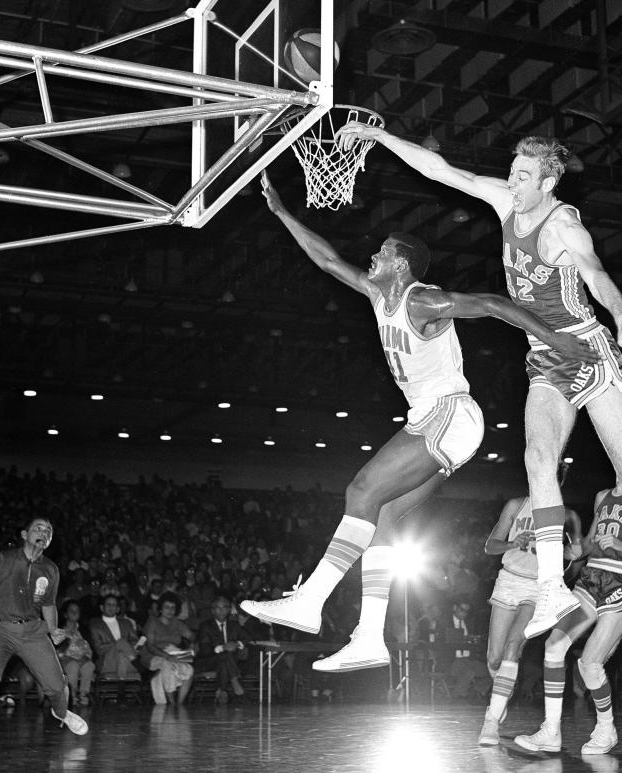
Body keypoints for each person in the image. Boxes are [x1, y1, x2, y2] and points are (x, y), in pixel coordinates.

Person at [241, 172, 595, 673]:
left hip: (450, 413)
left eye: (382, 253)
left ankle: (310, 601)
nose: (373, 259)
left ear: (402, 265)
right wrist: (281, 214)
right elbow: (326, 259)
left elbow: (494, 304)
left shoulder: (421, 300)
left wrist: (558, 343)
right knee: (382, 517)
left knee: (361, 490)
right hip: (437, 421)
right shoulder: (375, 293)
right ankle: (369, 637)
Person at [335, 124, 622, 638]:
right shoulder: (504, 199)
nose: (511, 181)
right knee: (537, 459)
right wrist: (380, 140)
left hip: (586, 348)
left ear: (548, 184)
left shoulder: (564, 227)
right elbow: (443, 170)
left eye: (523, 175)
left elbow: (595, 272)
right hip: (544, 356)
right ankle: (553, 588)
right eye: (512, 170)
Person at [512, 481, 622, 755]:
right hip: (591, 577)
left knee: (590, 663)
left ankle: (606, 730)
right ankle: (551, 731)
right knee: (554, 647)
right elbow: (592, 544)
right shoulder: (601, 496)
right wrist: (576, 551)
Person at [0, 518, 88, 755]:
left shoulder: (51, 569)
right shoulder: (2, 559)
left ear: (50, 540)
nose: (43, 532)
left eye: (48, 531)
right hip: (1, 629)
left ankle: (61, 713)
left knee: (56, 686)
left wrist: (53, 629)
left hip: (33, 631)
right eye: (38, 528)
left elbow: (48, 604)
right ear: (24, 534)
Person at [477, 469, 582, 746]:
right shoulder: (516, 505)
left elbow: (574, 562)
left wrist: (572, 555)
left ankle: (491, 721)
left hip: (538, 587)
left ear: (560, 481)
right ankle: (501, 698)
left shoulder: (567, 516)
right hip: (508, 581)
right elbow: (490, 546)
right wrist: (513, 543)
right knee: (495, 659)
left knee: (514, 647)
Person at [139, 591, 195, 705]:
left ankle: (180, 703)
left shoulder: (177, 623)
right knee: (167, 665)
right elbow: (149, 646)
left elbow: (192, 636)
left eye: (173, 608)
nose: (170, 610)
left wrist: (192, 644)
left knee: (189, 670)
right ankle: (171, 702)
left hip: (173, 653)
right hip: (153, 655)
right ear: (160, 608)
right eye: (167, 607)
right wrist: (167, 656)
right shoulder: (152, 622)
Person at [195, 596, 251, 703]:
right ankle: (236, 685)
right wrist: (223, 647)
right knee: (225, 655)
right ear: (212, 610)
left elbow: (248, 638)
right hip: (209, 660)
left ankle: (221, 691)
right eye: (217, 607)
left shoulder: (234, 625)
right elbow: (205, 649)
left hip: (227, 662)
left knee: (225, 660)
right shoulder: (205, 626)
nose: (221, 610)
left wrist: (236, 643)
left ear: (229, 610)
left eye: (225, 607)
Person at [88, 594, 141, 679]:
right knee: (121, 642)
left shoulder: (126, 623)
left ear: (118, 609)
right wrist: (118, 644)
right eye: (108, 604)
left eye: (114, 605)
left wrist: (123, 648)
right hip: (107, 661)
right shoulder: (95, 624)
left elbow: (135, 642)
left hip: (127, 660)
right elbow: (99, 649)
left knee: (121, 656)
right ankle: (138, 665)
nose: (111, 607)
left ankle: (121, 686)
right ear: (102, 607)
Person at [56, 600, 96, 707]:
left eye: (77, 611)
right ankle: (72, 696)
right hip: (65, 661)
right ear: (65, 614)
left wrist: (86, 657)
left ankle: (84, 696)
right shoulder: (60, 631)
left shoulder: (84, 630)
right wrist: (70, 656)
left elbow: (90, 649)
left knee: (89, 665)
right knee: (73, 665)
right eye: (71, 611)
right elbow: (58, 652)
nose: (75, 613)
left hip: (82, 660)